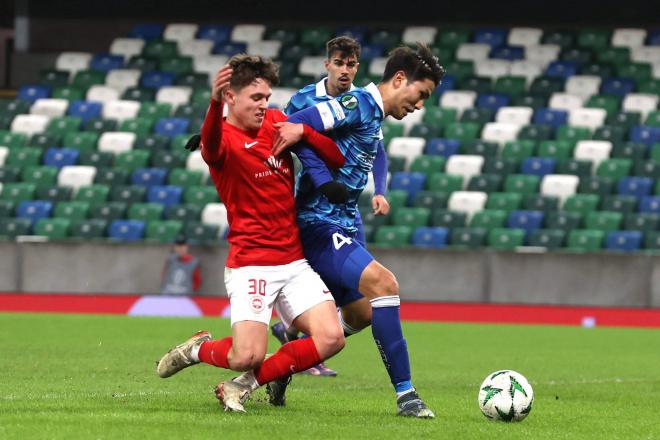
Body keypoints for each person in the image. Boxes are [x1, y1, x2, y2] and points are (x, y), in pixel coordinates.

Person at [155, 54, 347, 413]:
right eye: (255, 99)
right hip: (251, 265)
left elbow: (335, 156)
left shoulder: (276, 122)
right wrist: (212, 105)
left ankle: (241, 387)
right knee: (246, 354)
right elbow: (210, 145)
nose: (265, 105)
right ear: (230, 98)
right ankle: (197, 348)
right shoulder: (221, 141)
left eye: (267, 97)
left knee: (333, 337)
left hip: (292, 260)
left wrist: (303, 131)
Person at [272, 42, 445, 418]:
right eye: (421, 94)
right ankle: (407, 396)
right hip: (319, 221)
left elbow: (370, 152)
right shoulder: (359, 103)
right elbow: (299, 124)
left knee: (363, 314)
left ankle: (285, 356)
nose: (419, 105)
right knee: (384, 285)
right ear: (400, 79)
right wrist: (319, 177)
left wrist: (378, 190)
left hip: (346, 221)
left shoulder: (374, 114)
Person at [270, 36, 390, 377]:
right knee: (326, 283)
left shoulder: (363, 102)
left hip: (348, 209)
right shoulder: (305, 100)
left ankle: (293, 335)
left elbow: (377, 152)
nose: (345, 70)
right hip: (313, 207)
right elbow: (287, 139)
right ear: (327, 64)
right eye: (339, 62)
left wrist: (379, 190)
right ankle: (310, 347)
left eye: (351, 64)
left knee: (359, 298)